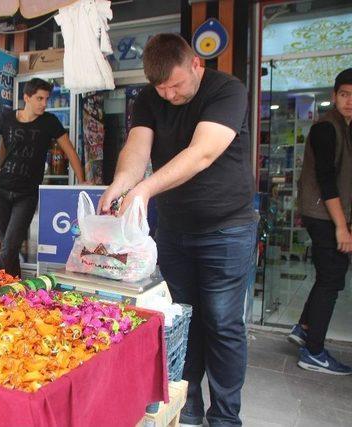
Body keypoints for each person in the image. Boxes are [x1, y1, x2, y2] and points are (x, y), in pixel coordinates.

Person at [99, 34, 256, 427]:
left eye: (176, 85)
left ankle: (225, 417)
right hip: (174, 229)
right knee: (181, 318)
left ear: (196, 65)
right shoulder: (149, 100)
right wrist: (121, 183)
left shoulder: (227, 90)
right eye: (161, 88)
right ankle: (186, 405)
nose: (169, 95)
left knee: (221, 323)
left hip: (226, 230)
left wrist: (146, 188)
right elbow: (136, 150)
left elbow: (202, 152)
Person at [0, 78, 85, 277]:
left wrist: (82, 181)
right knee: (11, 248)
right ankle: (16, 291)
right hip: (0, 190)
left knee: (9, 246)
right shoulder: (7, 118)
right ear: (26, 98)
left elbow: (70, 151)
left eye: (47, 99)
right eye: (39, 98)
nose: (44, 103)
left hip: (26, 194)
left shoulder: (50, 121)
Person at [288, 68, 352, 375]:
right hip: (324, 215)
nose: (349, 101)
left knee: (327, 274)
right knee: (332, 278)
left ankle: (304, 328)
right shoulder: (327, 129)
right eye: (344, 94)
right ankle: (313, 351)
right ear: (334, 96)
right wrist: (342, 226)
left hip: (327, 214)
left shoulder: (344, 126)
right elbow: (327, 181)